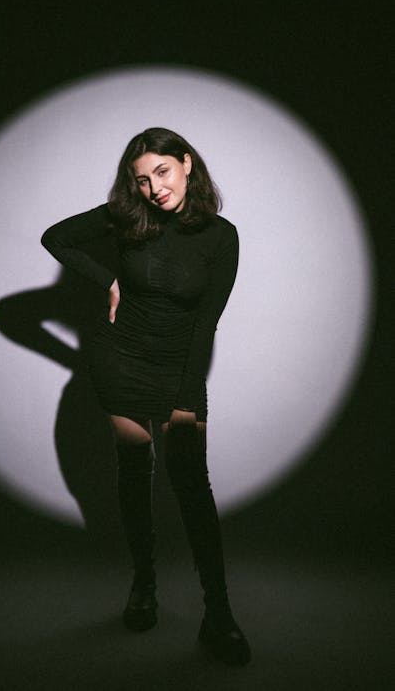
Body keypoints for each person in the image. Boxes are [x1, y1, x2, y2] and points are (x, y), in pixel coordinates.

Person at [41, 127, 251, 666]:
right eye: (142, 180)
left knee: (190, 485)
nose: (154, 188)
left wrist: (185, 394)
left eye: (162, 172)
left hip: (178, 364)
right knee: (135, 473)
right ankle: (144, 586)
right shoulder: (126, 217)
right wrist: (107, 278)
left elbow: (206, 325)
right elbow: (56, 237)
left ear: (186, 164)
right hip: (120, 359)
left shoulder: (221, 236)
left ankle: (219, 614)